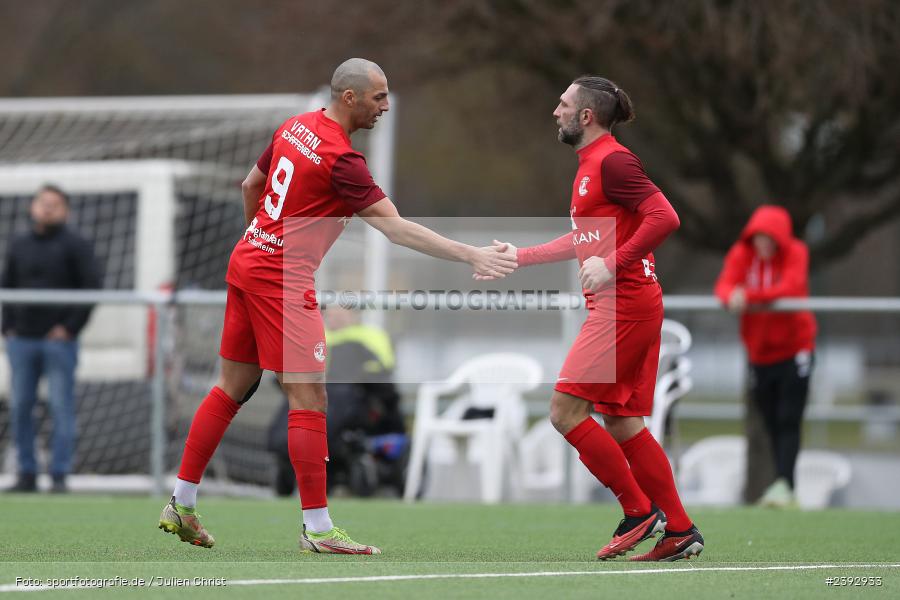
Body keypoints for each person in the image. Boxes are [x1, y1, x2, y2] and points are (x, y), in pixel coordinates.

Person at [157, 58, 517, 555]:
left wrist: (262, 239)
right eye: (379, 96)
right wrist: (470, 253)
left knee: (232, 386)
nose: (385, 105)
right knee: (310, 399)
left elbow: (250, 187)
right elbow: (396, 229)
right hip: (281, 280)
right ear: (350, 98)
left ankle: (182, 501)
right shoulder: (343, 160)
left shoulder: (295, 126)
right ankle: (319, 529)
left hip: (247, 263)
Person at [487, 76, 703, 561]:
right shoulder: (592, 165)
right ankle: (680, 529)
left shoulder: (612, 161)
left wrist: (614, 264)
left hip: (624, 304)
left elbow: (665, 217)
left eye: (563, 104)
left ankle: (639, 510)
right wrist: (521, 257)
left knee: (565, 411)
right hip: (629, 303)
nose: (555, 111)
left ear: (586, 116)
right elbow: (584, 242)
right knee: (623, 421)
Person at [1, 185, 102, 493]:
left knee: (60, 405)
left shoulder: (76, 245)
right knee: (20, 406)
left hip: (59, 341)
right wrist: (8, 327)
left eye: (54, 204)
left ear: (65, 210)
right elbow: (6, 284)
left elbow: (92, 288)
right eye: (42, 203)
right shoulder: (19, 243)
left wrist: (69, 328)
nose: (47, 209)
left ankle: (59, 475)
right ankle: (26, 474)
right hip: (22, 340)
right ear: (33, 206)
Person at [714, 205, 816, 508]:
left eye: (770, 238)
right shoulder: (740, 253)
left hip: (796, 347)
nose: (764, 244)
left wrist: (748, 296)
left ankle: (786, 484)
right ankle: (781, 485)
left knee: (789, 417)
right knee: (770, 419)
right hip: (759, 352)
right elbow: (724, 285)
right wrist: (730, 296)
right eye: (758, 238)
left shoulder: (796, 252)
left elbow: (792, 287)